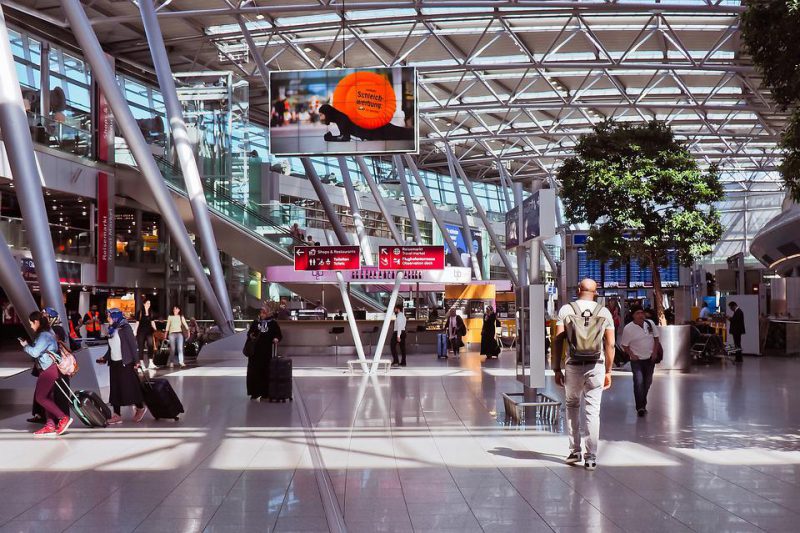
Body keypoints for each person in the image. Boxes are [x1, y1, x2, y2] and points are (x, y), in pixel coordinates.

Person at [552, 278, 615, 471]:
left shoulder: (566, 310)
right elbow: (610, 344)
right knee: (592, 410)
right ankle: (591, 457)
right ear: (595, 292)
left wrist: (556, 368)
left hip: (573, 365)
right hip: (597, 365)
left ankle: (575, 451)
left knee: (572, 405)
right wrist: (609, 371)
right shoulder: (604, 312)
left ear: (578, 289)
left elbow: (557, 340)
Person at [20, 311, 73, 438]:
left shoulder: (44, 335)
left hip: (48, 370)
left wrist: (25, 346)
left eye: (31, 323)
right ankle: (50, 425)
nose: (31, 326)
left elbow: (35, 352)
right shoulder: (49, 332)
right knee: (47, 398)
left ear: (37, 322)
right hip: (50, 369)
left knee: (40, 397)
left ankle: (63, 418)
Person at [97, 309, 147, 424]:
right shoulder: (111, 330)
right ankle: (117, 415)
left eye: (109, 317)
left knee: (129, 388)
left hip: (126, 362)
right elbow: (111, 348)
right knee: (115, 389)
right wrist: (104, 358)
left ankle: (140, 407)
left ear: (115, 317)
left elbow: (133, 346)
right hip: (114, 363)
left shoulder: (125, 328)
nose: (108, 319)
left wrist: (137, 361)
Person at [620, 305, 661, 417]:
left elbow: (656, 338)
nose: (640, 315)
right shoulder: (628, 328)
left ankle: (643, 400)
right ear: (633, 315)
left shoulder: (650, 324)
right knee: (638, 382)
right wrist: (632, 355)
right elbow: (624, 345)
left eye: (642, 312)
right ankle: (640, 407)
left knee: (647, 382)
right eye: (637, 313)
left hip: (650, 359)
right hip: (636, 360)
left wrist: (654, 352)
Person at [246, 306, 283, 400]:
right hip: (255, 353)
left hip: (266, 352)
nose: (262, 314)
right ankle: (254, 392)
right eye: (261, 312)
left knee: (266, 371)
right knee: (254, 372)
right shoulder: (255, 322)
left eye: (264, 312)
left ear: (268, 313)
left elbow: (278, 334)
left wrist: (276, 338)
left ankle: (265, 392)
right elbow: (249, 333)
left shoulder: (273, 323)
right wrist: (251, 336)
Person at [135, 298, 156, 370]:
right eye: (147, 303)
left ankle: (150, 362)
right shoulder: (140, 312)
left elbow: (152, 322)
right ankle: (141, 363)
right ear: (144, 304)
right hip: (141, 332)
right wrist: (135, 331)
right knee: (141, 347)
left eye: (149, 303)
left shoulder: (151, 312)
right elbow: (137, 323)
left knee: (151, 345)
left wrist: (155, 329)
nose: (149, 305)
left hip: (149, 332)